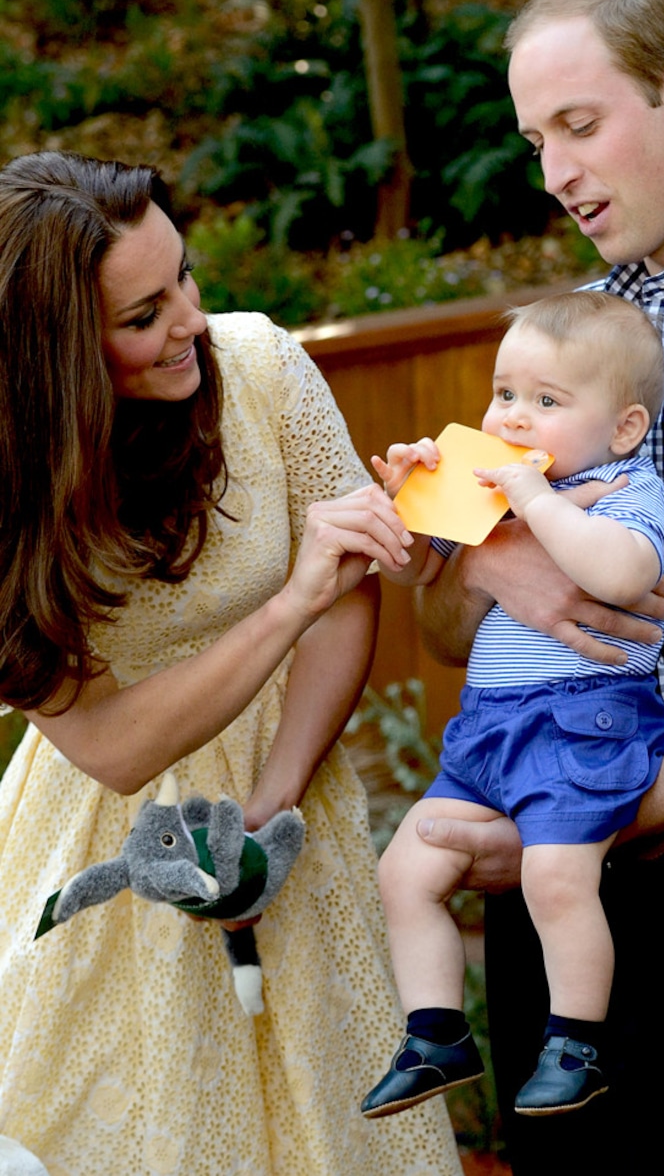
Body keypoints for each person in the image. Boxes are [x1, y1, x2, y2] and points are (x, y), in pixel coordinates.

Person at [0, 150, 464, 1176]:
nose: (193, 323)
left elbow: (345, 595)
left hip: (285, 788)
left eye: (186, 280)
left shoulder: (259, 366)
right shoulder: (12, 495)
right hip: (108, 841)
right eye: (142, 316)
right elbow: (113, 751)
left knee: (327, 1126)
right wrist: (289, 598)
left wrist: (275, 801)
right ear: (57, 356)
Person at [411, 0, 664, 1166]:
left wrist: (599, 821)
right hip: (556, 894)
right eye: (533, 143)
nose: (556, 175)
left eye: (577, 125)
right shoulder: (562, 337)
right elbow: (447, 637)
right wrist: (481, 567)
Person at [359, 292, 664, 1120]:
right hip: (489, 731)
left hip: (583, 721)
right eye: (505, 394)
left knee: (555, 877)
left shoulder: (625, 491)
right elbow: (411, 574)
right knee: (404, 872)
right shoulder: (489, 491)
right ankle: (434, 1035)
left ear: (624, 429)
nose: (515, 418)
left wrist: (530, 505)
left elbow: (620, 576)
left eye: (547, 402)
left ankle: (576, 1041)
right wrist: (411, 501)